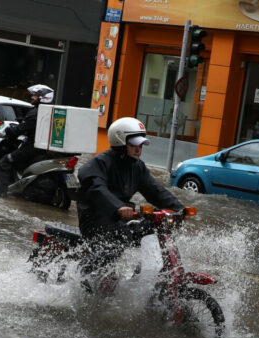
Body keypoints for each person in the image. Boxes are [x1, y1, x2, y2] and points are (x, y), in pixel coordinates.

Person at [75, 116, 186, 281]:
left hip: (122, 216)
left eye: (141, 145)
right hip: (96, 218)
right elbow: (97, 188)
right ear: (120, 142)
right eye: (133, 144)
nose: (138, 149)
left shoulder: (137, 166)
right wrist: (118, 207)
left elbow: (155, 190)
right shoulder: (100, 163)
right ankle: (83, 274)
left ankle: (149, 274)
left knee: (156, 225)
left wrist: (179, 208)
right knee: (123, 235)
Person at [0, 84, 54, 197]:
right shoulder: (50, 111)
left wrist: (9, 131)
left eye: (35, 95)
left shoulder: (35, 113)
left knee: (5, 161)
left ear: (42, 97)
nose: (32, 97)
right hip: (44, 149)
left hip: (32, 148)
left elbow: (22, 128)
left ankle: (0, 193)